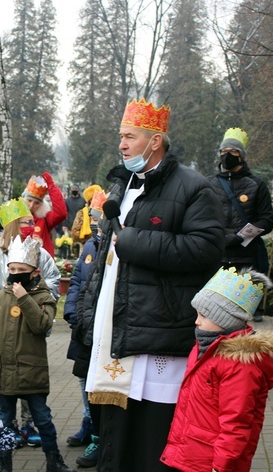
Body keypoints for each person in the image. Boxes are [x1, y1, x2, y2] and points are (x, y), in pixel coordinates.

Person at [78, 99, 224, 471]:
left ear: (155, 140)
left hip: (158, 329)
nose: (122, 145)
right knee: (116, 438)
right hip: (117, 329)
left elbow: (206, 249)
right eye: (121, 137)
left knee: (152, 440)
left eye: (129, 137)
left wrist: (133, 243)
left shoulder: (194, 187)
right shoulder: (121, 184)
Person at [161, 267, 273, 471]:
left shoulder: (240, 365)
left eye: (203, 316)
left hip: (213, 461)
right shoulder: (204, 347)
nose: (196, 321)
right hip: (193, 451)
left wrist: (222, 466)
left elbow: (236, 424)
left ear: (224, 320)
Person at [0, 236, 75, 472]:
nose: (16, 273)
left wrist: (24, 299)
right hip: (4, 371)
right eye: (12, 269)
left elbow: (42, 326)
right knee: (5, 423)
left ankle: (53, 460)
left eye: (21, 270)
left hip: (31, 370)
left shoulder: (43, 297)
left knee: (42, 418)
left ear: (34, 272)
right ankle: (4, 463)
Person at [206, 127, 273, 322]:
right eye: (223, 152)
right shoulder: (209, 184)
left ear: (241, 156)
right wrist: (221, 236)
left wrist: (241, 236)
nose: (227, 155)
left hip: (247, 256)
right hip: (218, 255)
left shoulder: (256, 184)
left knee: (241, 316)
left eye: (233, 152)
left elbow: (266, 220)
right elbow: (202, 217)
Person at [63, 190, 106, 469]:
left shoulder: (116, 249)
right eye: (95, 221)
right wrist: (70, 311)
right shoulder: (90, 248)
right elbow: (77, 281)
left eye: (100, 221)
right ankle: (89, 423)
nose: (97, 226)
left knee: (100, 383)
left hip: (104, 329)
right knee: (83, 380)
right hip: (84, 327)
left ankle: (100, 436)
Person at [22, 173, 67, 257]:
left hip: (43, 264)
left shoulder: (45, 218)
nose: (31, 206)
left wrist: (51, 187)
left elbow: (61, 214)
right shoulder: (15, 217)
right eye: (29, 200)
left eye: (37, 203)